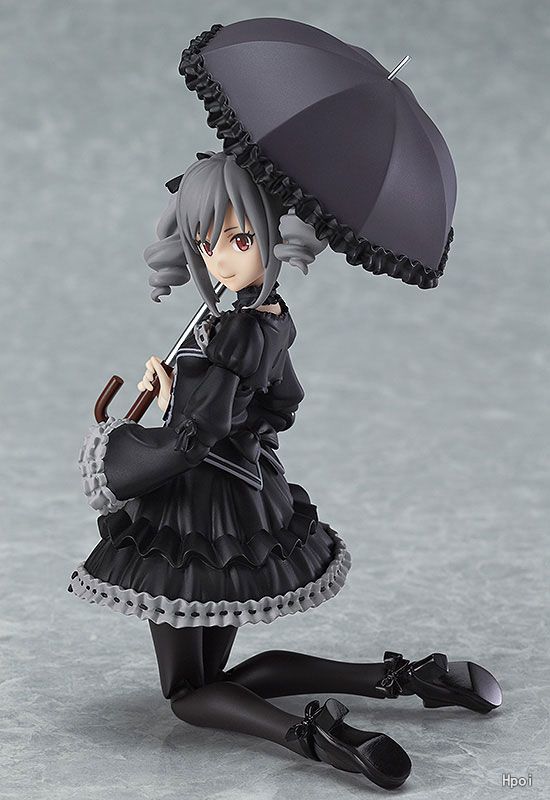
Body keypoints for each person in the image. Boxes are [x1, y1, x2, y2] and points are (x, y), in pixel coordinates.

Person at [70, 151, 501, 790]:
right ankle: (400, 677)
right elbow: (281, 405)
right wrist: (196, 397)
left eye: (239, 240)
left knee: (187, 694)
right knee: (217, 677)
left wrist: (147, 423)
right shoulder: (271, 320)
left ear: (273, 238)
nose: (220, 260)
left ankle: (309, 735)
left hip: (194, 515)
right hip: (244, 502)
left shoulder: (228, 334)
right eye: (206, 244)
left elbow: (192, 440)